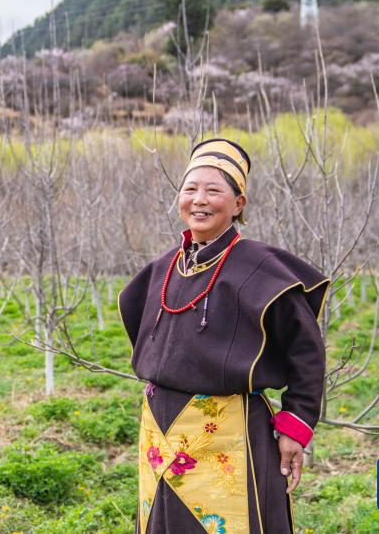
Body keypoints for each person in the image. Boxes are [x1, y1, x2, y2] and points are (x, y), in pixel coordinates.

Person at [117, 138, 328, 534]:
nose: (199, 200)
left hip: (231, 433)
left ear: (238, 203)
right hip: (159, 431)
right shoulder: (163, 268)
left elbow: (307, 353)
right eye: (190, 189)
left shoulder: (263, 270)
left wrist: (295, 425)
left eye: (213, 190)